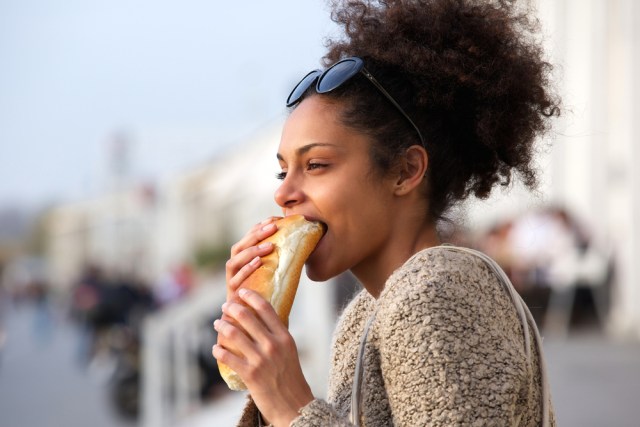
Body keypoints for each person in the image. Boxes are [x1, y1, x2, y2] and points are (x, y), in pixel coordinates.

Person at [212, 0, 560, 425]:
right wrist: (261, 366)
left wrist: (290, 406)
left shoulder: (434, 294)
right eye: (283, 170)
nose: (283, 192)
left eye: (315, 165)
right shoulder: (366, 315)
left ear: (405, 170)